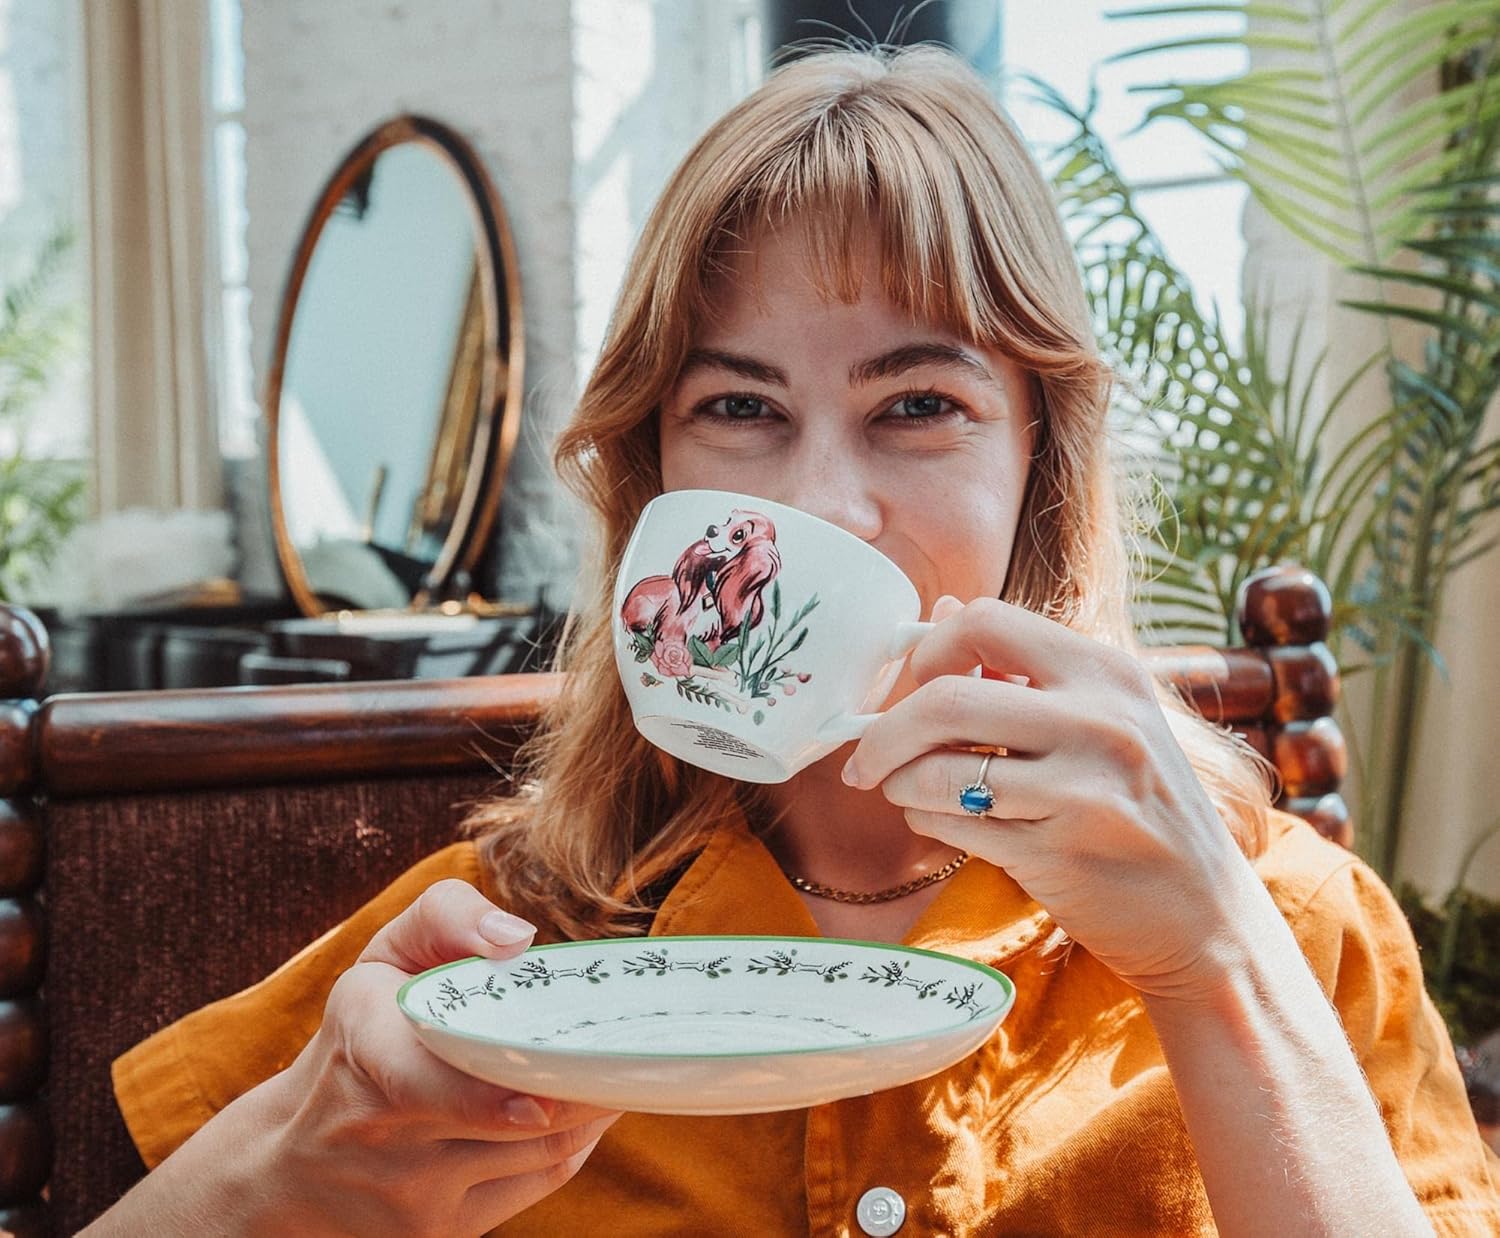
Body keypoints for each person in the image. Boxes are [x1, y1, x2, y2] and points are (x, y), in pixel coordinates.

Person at [87, 44, 1499, 1236]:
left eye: (917, 405)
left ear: (1039, 467)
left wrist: (1216, 957)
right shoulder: (502, 950)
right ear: (655, 483)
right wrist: (290, 1164)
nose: (822, 502)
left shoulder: (1285, 926)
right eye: (742, 410)